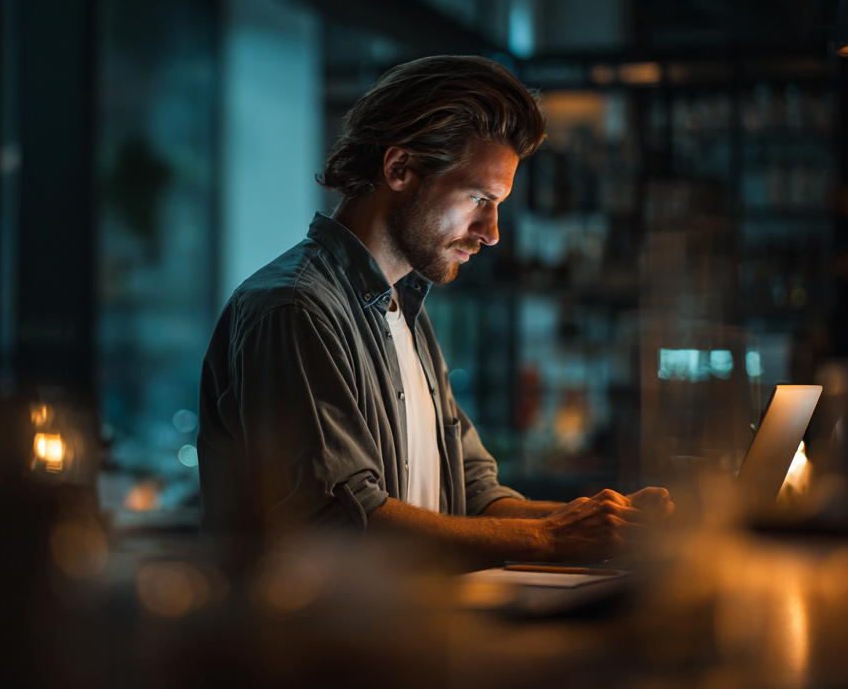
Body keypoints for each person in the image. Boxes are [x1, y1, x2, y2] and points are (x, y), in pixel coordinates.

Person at [196, 55, 673, 565]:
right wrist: (554, 538)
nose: (491, 232)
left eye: (497, 205)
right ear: (399, 168)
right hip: (309, 645)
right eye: (477, 198)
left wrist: (613, 524)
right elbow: (339, 526)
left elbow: (473, 496)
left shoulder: (406, 310)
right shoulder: (295, 308)